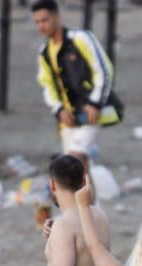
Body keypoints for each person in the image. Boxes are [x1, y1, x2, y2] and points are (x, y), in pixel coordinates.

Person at [32, 0, 118, 169]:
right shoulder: (44, 52)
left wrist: (95, 103)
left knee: (75, 158)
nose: (41, 26)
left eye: (45, 20)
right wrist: (59, 109)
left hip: (90, 113)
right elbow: (47, 85)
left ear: (57, 17)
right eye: (37, 22)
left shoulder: (81, 39)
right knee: (78, 170)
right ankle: (90, 196)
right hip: (68, 119)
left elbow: (104, 69)